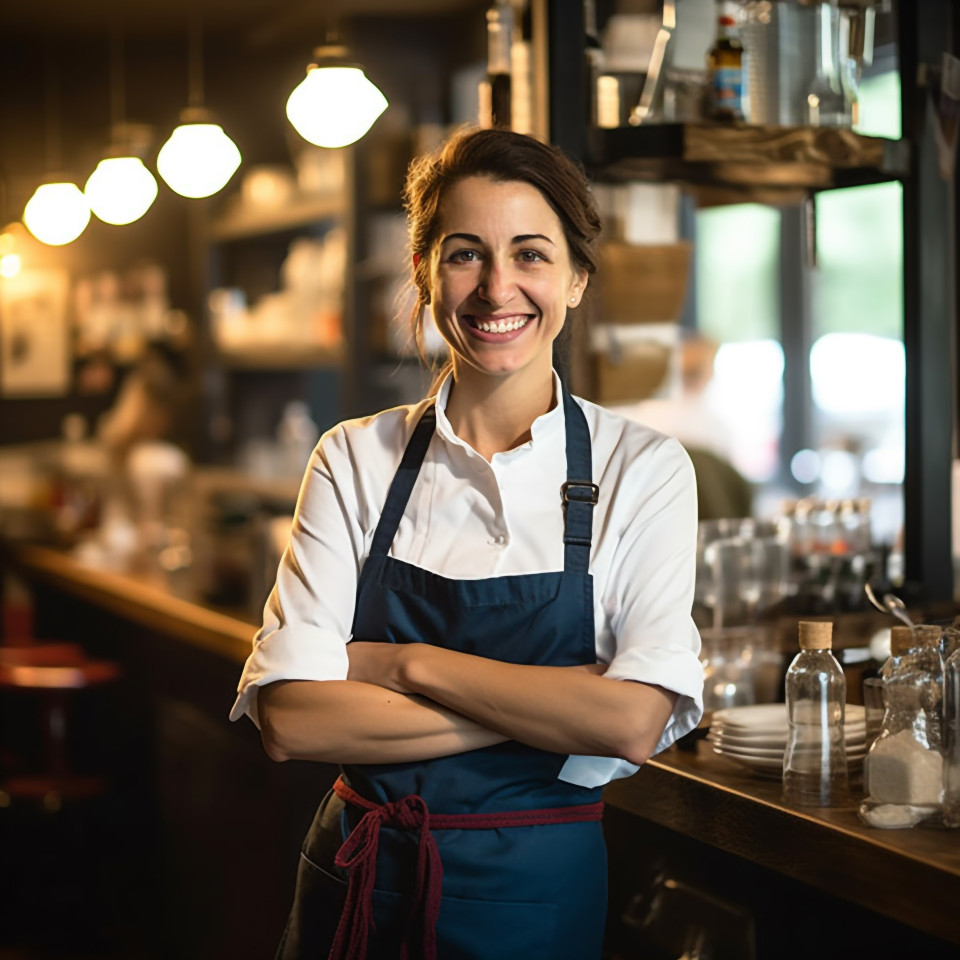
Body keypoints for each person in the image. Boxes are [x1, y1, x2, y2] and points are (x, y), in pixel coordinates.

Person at [229, 126, 704, 960]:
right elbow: (294, 720)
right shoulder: (352, 458)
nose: (496, 289)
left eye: (530, 254)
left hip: (536, 897)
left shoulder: (646, 468)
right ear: (423, 273)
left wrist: (403, 665)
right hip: (361, 887)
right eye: (463, 254)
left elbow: (632, 721)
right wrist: (559, 708)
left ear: (577, 279)